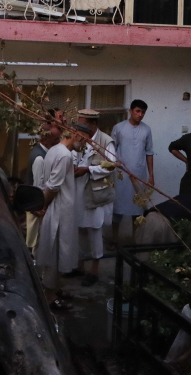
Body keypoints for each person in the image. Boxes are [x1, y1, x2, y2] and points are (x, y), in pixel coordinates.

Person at [35, 127, 79, 311]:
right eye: (83, 139)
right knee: (54, 250)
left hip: (60, 207)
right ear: (75, 135)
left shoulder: (55, 150)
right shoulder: (64, 155)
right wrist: (43, 205)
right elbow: (53, 186)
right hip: (58, 208)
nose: (84, 144)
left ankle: (55, 288)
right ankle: (49, 295)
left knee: (58, 250)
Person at [73, 111, 116, 287]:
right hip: (79, 191)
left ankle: (94, 269)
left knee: (95, 230)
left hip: (96, 193)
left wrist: (88, 169)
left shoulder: (106, 141)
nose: (78, 127)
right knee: (80, 229)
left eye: (82, 124)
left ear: (92, 124)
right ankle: (80, 265)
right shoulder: (80, 137)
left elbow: (111, 165)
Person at [111, 99, 155, 245]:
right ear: (130, 111)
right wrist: (114, 165)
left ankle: (135, 241)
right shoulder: (119, 128)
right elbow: (111, 150)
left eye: (143, 112)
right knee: (117, 208)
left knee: (137, 208)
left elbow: (149, 152)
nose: (140, 114)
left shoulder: (146, 129)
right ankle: (114, 240)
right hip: (121, 175)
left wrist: (151, 175)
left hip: (139, 174)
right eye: (137, 111)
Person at [25, 124, 62, 252]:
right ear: (45, 139)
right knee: (35, 241)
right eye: (56, 139)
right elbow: (38, 185)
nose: (58, 142)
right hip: (37, 206)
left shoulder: (42, 152)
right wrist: (39, 207)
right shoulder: (40, 158)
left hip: (36, 204)